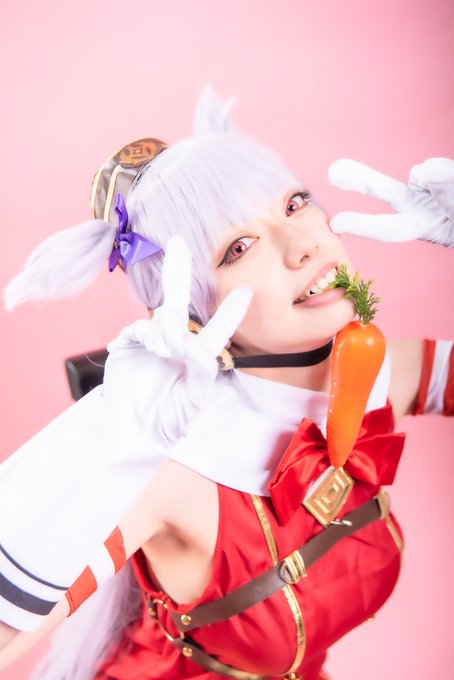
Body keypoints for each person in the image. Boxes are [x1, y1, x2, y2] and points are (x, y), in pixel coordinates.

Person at [0, 89, 452, 680]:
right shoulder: (176, 470)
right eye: (239, 248)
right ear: (193, 310)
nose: (304, 245)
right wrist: (111, 437)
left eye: (294, 204)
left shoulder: (374, 369)